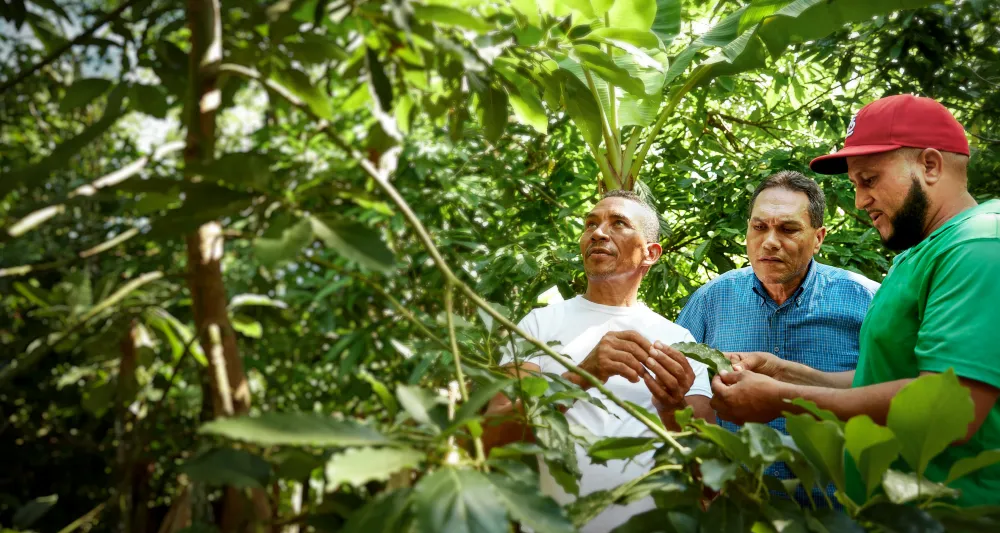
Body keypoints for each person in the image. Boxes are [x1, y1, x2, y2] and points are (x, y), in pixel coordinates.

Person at [710, 94, 1000, 506]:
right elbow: (882, 380)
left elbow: (955, 406)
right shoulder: (921, 253)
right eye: (855, 185)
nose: (861, 200)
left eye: (870, 180)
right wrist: (786, 373)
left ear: (930, 166)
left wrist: (780, 399)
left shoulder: (977, 246)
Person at [482, 189, 715, 533]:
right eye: (590, 224)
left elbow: (708, 475)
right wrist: (581, 376)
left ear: (650, 253)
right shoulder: (537, 325)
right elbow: (492, 438)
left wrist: (670, 407)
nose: (598, 232)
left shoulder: (679, 340)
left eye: (618, 223)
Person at [676, 171, 879, 505]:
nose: (770, 241)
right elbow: (681, 391)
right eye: (759, 227)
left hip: (841, 507)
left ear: (818, 237)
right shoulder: (712, 300)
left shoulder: (866, 301)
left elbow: (893, 390)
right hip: (736, 506)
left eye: (787, 228)